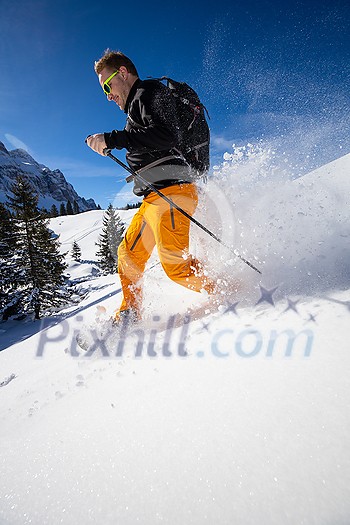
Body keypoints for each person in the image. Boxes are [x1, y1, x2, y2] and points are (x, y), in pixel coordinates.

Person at [87, 50, 217, 324]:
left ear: (122, 73)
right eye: (104, 92)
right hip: (153, 199)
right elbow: (147, 138)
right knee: (128, 255)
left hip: (173, 193)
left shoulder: (149, 92)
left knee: (175, 266)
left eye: (108, 87)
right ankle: (129, 315)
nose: (109, 96)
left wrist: (112, 138)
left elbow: (168, 134)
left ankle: (226, 291)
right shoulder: (136, 106)